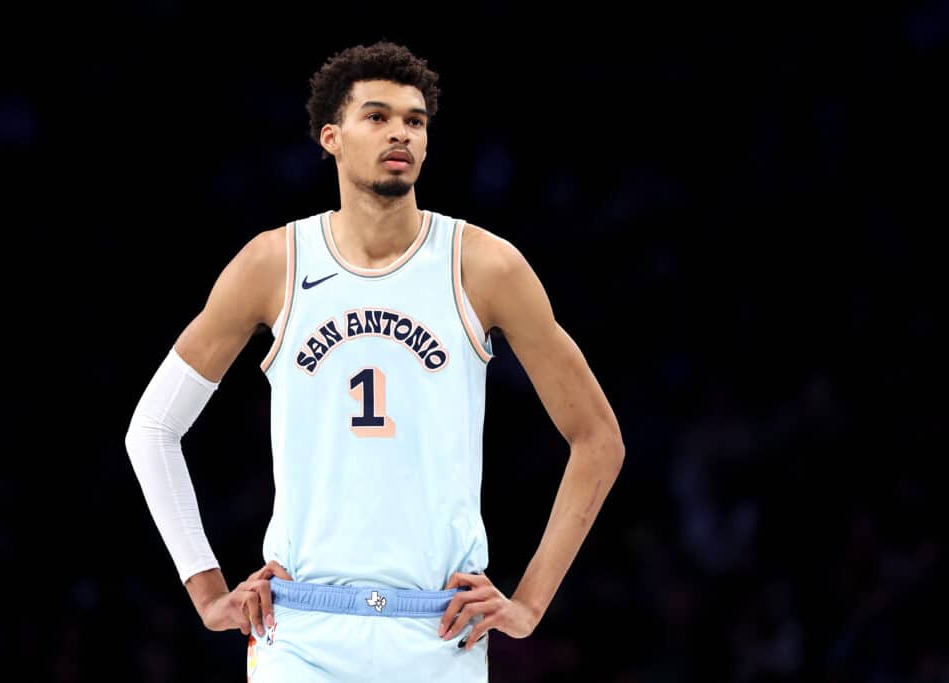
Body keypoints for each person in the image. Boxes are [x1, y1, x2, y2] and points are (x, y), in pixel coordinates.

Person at [124, 40, 625, 682]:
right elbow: (154, 429)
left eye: (415, 121)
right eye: (378, 116)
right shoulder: (273, 263)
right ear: (331, 137)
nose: (402, 134)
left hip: (439, 631)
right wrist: (205, 588)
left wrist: (529, 603)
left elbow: (598, 438)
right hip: (299, 629)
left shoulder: (484, 265)